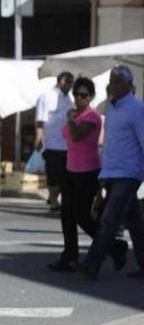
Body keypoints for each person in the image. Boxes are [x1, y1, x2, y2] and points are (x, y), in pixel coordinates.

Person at [49, 77, 127, 272]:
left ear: (91, 96)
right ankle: (70, 256)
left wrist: (70, 119)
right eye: (76, 94)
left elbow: (76, 135)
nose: (78, 98)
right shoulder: (75, 115)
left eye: (83, 95)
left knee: (82, 216)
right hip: (70, 169)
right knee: (67, 215)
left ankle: (115, 247)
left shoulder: (92, 116)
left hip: (88, 171)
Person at [79, 66, 144, 280]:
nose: (112, 85)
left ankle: (91, 264)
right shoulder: (112, 108)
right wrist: (104, 171)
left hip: (128, 172)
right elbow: (111, 142)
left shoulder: (136, 108)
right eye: (111, 81)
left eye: (117, 81)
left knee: (110, 219)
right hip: (112, 171)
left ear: (128, 85)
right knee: (134, 220)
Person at [34, 72, 75, 212]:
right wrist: (38, 138)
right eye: (69, 82)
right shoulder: (46, 96)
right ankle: (53, 201)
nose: (70, 86)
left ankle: (56, 199)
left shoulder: (69, 99)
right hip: (51, 142)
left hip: (67, 144)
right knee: (53, 174)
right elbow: (40, 120)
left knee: (65, 174)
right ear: (62, 81)